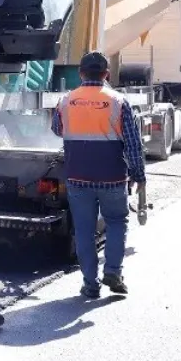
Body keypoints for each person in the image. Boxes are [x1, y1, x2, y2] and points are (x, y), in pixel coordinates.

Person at [51, 51, 147, 299]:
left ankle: (90, 284)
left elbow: (57, 129)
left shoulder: (65, 100)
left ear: (81, 73)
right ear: (106, 74)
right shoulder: (119, 101)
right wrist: (138, 175)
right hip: (112, 177)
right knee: (116, 222)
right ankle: (113, 270)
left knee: (84, 230)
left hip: (77, 177)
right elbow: (133, 143)